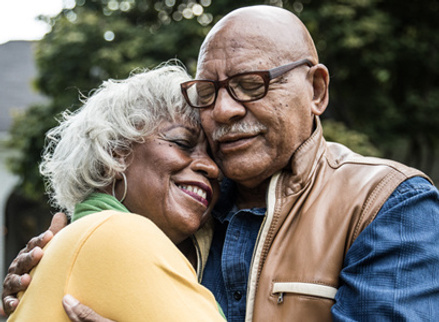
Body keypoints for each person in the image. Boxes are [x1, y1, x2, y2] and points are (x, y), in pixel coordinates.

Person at [4, 5, 439, 321]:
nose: (225, 110)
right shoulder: (180, 212)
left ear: (317, 91)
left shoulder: (386, 203)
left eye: (251, 84)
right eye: (208, 93)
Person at [5, 64, 226, 321]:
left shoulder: (82, 240)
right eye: (183, 143)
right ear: (115, 152)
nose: (212, 168)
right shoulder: (120, 231)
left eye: (215, 157)